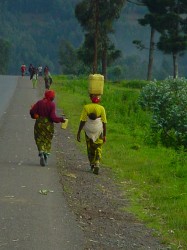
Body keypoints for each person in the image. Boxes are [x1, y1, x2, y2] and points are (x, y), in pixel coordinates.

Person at [30, 89, 65, 166]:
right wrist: (61, 120)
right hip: (48, 125)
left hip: (39, 124)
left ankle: (41, 152)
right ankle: (45, 154)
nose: (54, 97)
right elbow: (53, 117)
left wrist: (35, 116)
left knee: (39, 138)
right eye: (53, 96)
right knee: (47, 139)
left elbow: (32, 111)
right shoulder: (52, 104)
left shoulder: (39, 103)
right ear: (51, 97)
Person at [77, 94, 107, 175]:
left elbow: (83, 120)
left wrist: (79, 132)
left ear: (91, 99)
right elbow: (104, 122)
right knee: (98, 147)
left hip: (88, 129)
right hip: (98, 130)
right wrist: (104, 135)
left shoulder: (86, 107)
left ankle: (92, 165)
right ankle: (97, 162)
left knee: (90, 147)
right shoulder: (101, 108)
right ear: (99, 100)